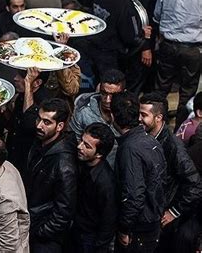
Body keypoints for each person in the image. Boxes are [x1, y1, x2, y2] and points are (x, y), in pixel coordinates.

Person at [139, 93, 202, 253]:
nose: (139, 119)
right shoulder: (144, 136)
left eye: (144, 115)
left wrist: (174, 212)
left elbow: (194, 184)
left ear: (158, 117)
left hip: (161, 216)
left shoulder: (173, 147)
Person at [78, 0, 152, 83]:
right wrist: (144, 35)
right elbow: (130, 37)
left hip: (91, 46)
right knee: (109, 84)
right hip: (110, 55)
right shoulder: (126, 6)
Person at [111, 91, 166, 252]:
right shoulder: (150, 140)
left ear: (113, 117)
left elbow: (134, 195)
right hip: (152, 220)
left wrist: (124, 229)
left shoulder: (130, 149)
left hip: (139, 228)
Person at [153, 0, 202, 129]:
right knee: (187, 93)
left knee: (161, 87)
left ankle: (155, 125)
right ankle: (179, 131)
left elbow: (157, 13)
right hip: (192, 49)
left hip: (169, 45)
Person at [8, 62, 80, 176]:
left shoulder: (45, 103)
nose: (15, 78)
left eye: (21, 77)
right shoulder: (21, 96)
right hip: (13, 152)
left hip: (26, 161)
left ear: (37, 82)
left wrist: (28, 83)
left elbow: (28, 122)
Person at [25, 98, 78, 252]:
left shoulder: (64, 163)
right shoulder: (41, 142)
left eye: (47, 122)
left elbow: (64, 212)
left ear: (60, 126)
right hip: (31, 224)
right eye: (39, 119)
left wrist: (40, 232)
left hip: (45, 239)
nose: (39, 125)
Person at [128, 0, 169, 94]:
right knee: (136, 84)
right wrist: (145, 48)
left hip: (143, 42)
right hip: (142, 44)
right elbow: (141, 16)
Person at [71, 122, 117, 253]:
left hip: (90, 238)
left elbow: (108, 220)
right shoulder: (81, 164)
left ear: (99, 154)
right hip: (76, 230)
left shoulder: (106, 182)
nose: (79, 147)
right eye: (81, 141)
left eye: (87, 146)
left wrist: (99, 246)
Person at [70, 68, 125, 138]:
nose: (107, 100)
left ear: (123, 94)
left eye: (114, 95)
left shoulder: (130, 111)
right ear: (99, 88)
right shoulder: (83, 108)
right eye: (104, 93)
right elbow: (73, 139)